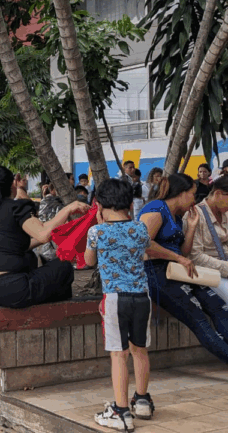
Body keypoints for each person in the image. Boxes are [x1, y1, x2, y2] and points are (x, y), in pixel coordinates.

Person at [84, 179, 153, 430]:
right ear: (128, 203)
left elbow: (88, 260)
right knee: (140, 349)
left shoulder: (97, 232)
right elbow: (143, 251)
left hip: (115, 298)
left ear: (99, 204)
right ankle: (143, 400)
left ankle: (121, 412)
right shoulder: (141, 228)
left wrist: (99, 229)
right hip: (141, 296)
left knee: (118, 354)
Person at [0, 166, 88, 309]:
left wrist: (59, 233)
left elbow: (21, 244)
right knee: (63, 267)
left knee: (29, 256)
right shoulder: (15, 207)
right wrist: (68, 209)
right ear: (13, 184)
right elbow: (43, 234)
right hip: (11, 289)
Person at [139, 174, 228, 364]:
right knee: (199, 320)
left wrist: (192, 228)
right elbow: (144, 244)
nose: (194, 200)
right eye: (192, 194)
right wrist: (178, 257)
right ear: (181, 193)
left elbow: (183, 251)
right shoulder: (155, 209)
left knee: (219, 307)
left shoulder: (177, 216)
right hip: (156, 272)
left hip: (179, 269)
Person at [184, 175, 228, 303]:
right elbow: (194, 257)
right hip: (208, 274)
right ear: (218, 194)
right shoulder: (195, 215)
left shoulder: (225, 212)